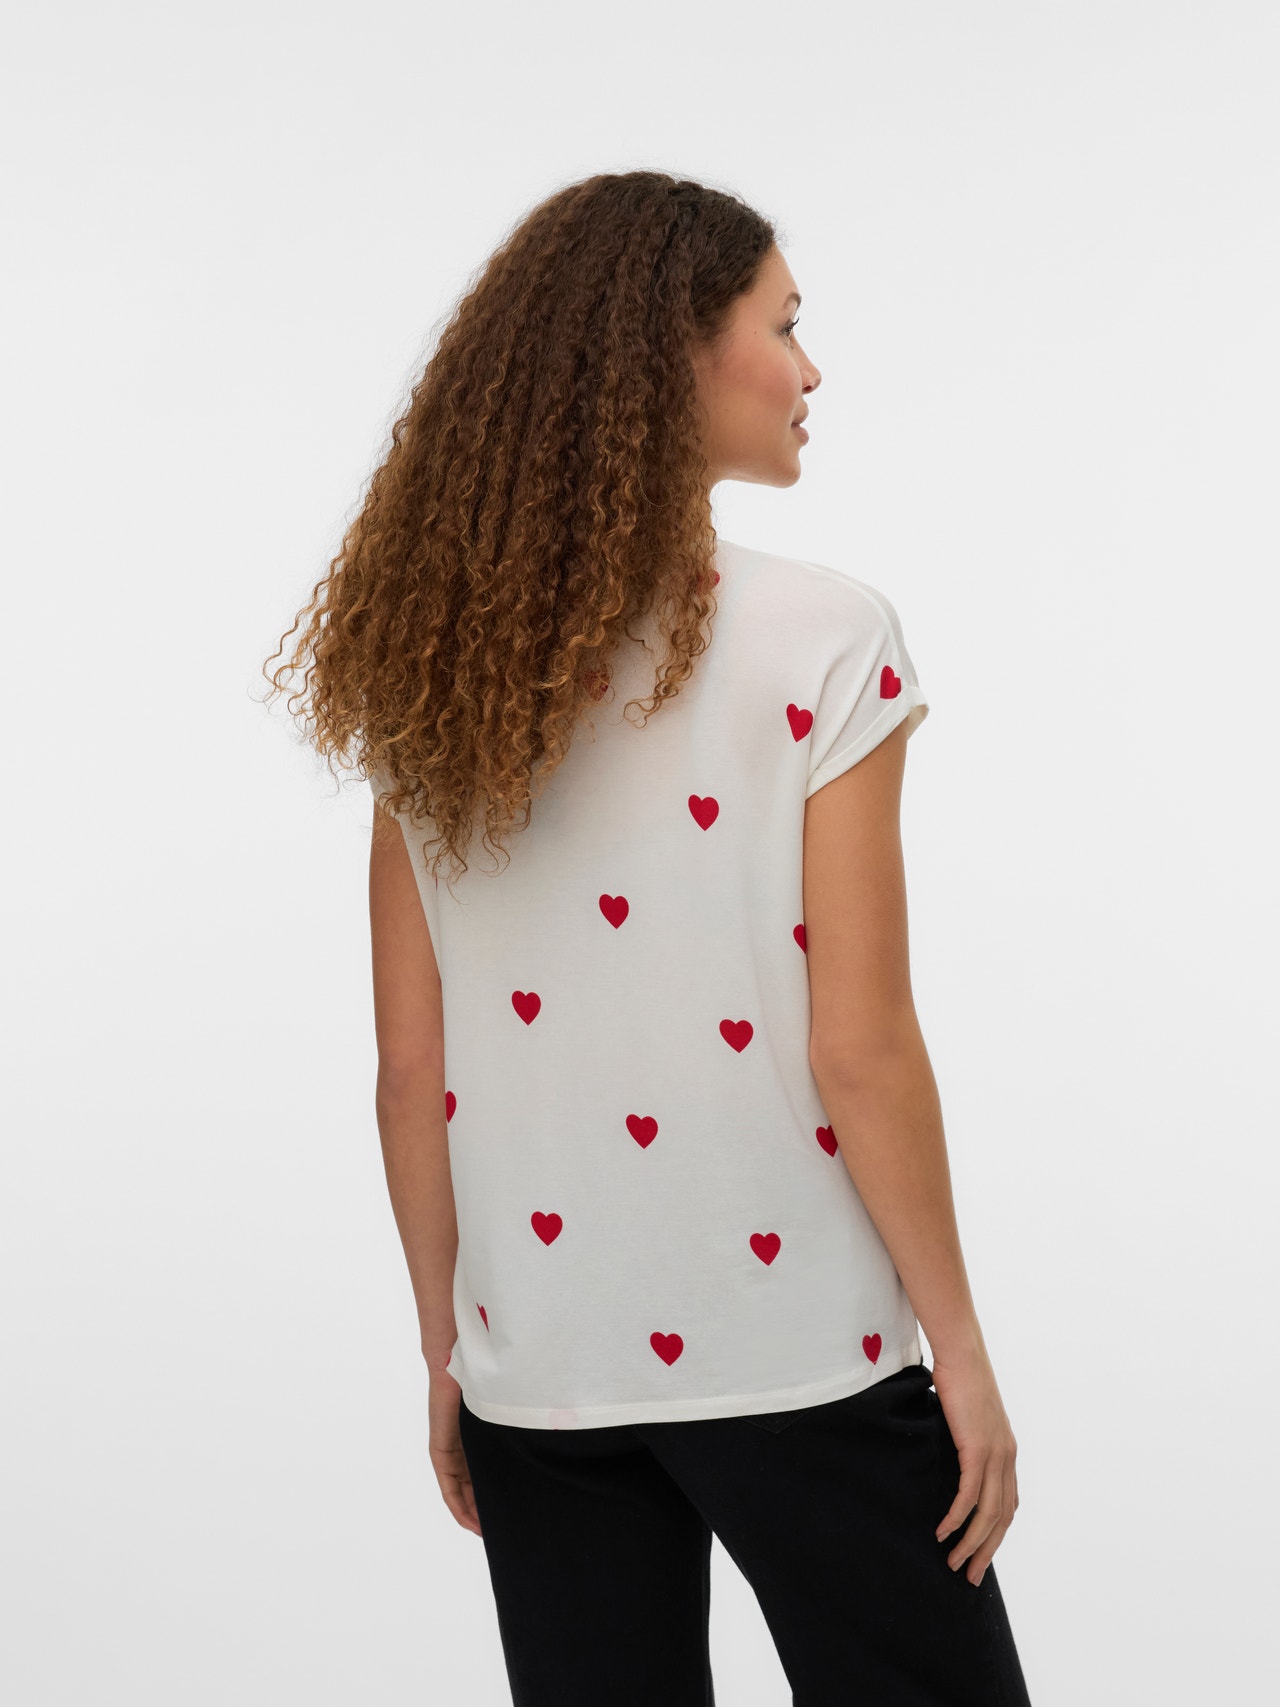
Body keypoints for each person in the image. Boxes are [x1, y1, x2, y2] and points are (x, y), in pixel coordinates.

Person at [264, 170, 1032, 1705]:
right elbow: (862, 1046)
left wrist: (449, 1352)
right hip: (799, 1352)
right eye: (785, 327)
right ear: (678, 352)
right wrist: (957, 1345)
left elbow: (411, 1071)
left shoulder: (435, 662)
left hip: (542, 1371)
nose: (812, 369)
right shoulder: (827, 638)